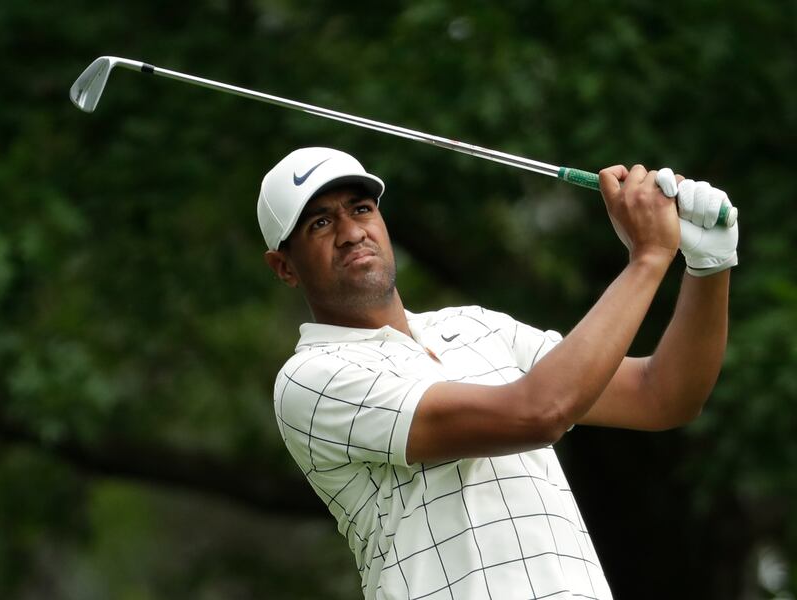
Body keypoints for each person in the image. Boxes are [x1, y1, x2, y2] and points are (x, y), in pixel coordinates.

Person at [257, 147, 738, 600]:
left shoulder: (475, 325)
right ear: (284, 267)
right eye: (321, 223)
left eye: (361, 209)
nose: (351, 232)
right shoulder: (311, 378)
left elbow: (663, 396)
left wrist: (709, 266)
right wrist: (650, 258)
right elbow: (538, 413)